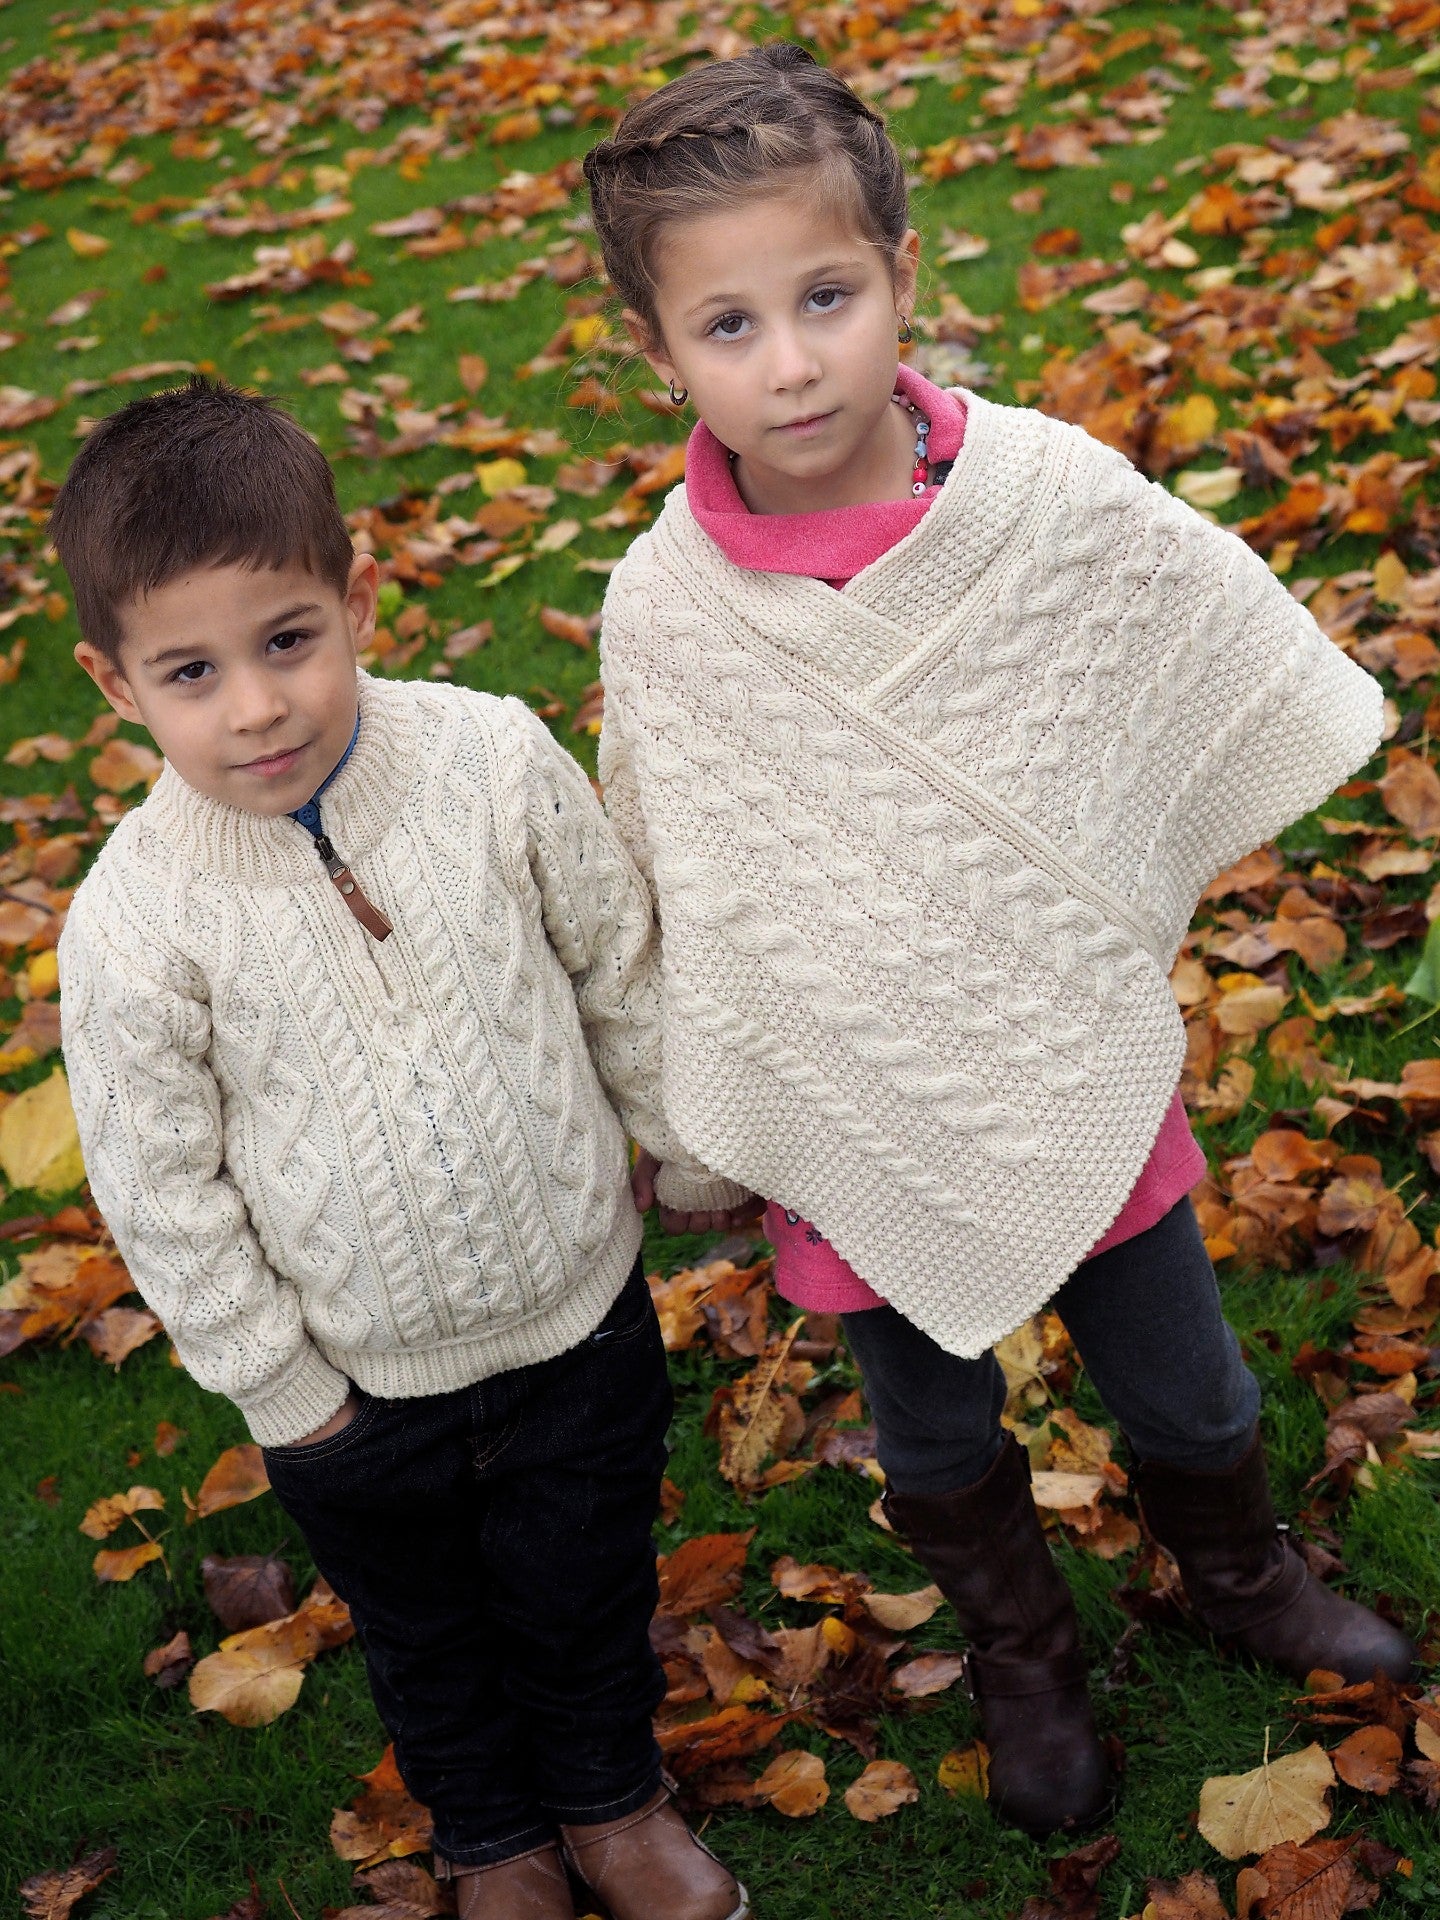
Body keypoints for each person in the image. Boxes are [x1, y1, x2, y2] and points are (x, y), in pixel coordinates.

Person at [584, 43, 1416, 1839]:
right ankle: (1025, 1646)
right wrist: (704, 1092)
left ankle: (1242, 1568)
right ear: (659, 356)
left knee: (1186, 1373)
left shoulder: (1040, 497)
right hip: (851, 1091)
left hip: (1061, 1040)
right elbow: (679, 873)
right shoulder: (666, 611)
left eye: (826, 296)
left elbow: (1198, 655)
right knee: (936, 1431)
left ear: (901, 272)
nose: (791, 361)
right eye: (727, 328)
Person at [52, 377, 753, 1920]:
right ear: (116, 687)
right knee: (428, 1631)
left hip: (577, 1315)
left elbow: (618, 966)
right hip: (359, 1389)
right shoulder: (136, 923)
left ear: (359, 598)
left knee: (585, 1590)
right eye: (192, 671)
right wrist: (287, 1394)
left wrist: (688, 1152)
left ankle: (611, 1802)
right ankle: (493, 1836)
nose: (256, 706)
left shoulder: (491, 764)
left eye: (288, 639)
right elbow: (162, 1191)